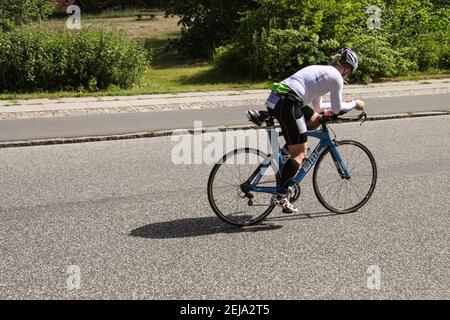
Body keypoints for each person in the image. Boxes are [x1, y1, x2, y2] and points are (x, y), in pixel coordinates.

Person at [265, 48, 366, 213]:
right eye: (350, 73)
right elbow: (337, 108)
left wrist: (337, 106)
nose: (347, 76)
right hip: (288, 101)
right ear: (347, 68)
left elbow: (318, 108)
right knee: (300, 153)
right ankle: (281, 195)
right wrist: (354, 103)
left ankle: (285, 152)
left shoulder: (322, 72)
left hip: (276, 97)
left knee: (314, 120)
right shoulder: (336, 77)